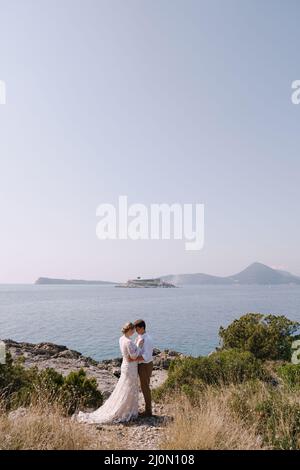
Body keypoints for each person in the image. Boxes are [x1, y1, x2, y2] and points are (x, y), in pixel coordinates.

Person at [76, 322, 143, 424]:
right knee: (129, 388)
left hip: (125, 365)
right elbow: (133, 356)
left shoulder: (121, 339)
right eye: (133, 330)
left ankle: (126, 409)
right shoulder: (129, 342)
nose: (134, 332)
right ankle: (127, 411)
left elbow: (128, 355)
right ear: (129, 330)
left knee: (124, 387)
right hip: (130, 367)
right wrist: (139, 346)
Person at [134, 319, 154, 417]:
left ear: (142, 328)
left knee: (145, 387)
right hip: (140, 364)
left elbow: (146, 355)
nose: (136, 331)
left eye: (137, 329)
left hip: (145, 365)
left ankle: (148, 411)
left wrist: (133, 359)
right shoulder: (139, 336)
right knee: (142, 386)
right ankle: (147, 409)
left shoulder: (148, 339)